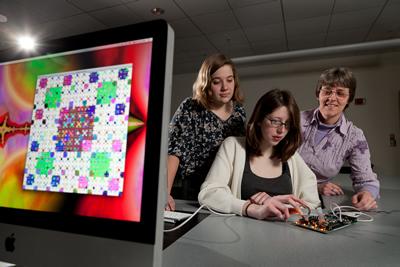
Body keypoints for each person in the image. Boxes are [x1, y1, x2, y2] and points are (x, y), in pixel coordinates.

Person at [198, 89, 320, 221]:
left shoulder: (292, 158)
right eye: (275, 121)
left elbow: (313, 206)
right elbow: (208, 194)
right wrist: (250, 208)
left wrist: (275, 205)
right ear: (259, 119)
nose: (281, 130)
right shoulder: (233, 146)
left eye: (287, 124)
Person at [166, 54, 246, 211]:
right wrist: (165, 193)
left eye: (229, 80)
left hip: (224, 191)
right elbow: (174, 153)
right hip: (191, 190)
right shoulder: (190, 107)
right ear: (207, 83)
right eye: (217, 82)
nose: (225, 87)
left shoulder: (239, 113)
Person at [298, 67, 380, 211]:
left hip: (317, 203)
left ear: (349, 99)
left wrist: (367, 194)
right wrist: (315, 187)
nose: (332, 98)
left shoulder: (354, 136)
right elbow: (273, 162)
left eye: (340, 93)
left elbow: (365, 179)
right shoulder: (295, 120)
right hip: (281, 192)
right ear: (318, 93)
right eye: (327, 91)